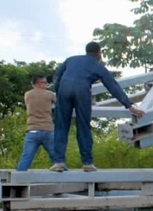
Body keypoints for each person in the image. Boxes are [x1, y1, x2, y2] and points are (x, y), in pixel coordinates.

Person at [50, 41, 145, 172]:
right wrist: (129, 106)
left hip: (64, 89)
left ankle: (58, 162)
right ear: (99, 53)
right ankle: (87, 163)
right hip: (82, 91)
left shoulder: (71, 60)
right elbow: (113, 86)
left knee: (61, 126)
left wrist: (59, 90)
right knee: (83, 126)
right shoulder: (97, 66)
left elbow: (56, 75)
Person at [16, 75, 56, 171]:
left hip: (32, 130)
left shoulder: (27, 94)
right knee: (57, 159)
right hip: (47, 129)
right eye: (45, 82)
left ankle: (18, 180)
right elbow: (60, 103)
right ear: (39, 83)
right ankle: (66, 179)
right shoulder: (50, 94)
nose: (46, 85)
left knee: (26, 158)